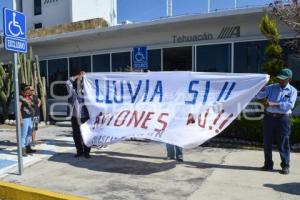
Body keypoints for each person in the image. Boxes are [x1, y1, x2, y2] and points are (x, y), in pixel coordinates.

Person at [256, 68, 298, 175]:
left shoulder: (293, 91)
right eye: (279, 78)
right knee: (267, 141)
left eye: (283, 79)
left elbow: (289, 105)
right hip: (269, 118)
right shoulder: (272, 87)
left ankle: (285, 166)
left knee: (283, 142)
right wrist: (261, 88)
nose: (280, 81)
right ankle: (268, 164)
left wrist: (274, 104)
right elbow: (259, 96)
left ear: (290, 79)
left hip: (283, 119)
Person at [66, 71, 91, 158]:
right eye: (78, 82)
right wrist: (78, 76)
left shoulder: (88, 93)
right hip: (75, 117)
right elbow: (68, 82)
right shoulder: (72, 92)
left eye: (81, 82)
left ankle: (87, 152)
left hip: (86, 117)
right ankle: (79, 151)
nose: (79, 83)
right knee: (76, 135)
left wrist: (86, 77)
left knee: (87, 134)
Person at [20, 84, 36, 156]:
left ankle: (28, 147)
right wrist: (20, 119)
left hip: (29, 117)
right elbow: (18, 109)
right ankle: (22, 150)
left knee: (29, 132)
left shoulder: (28, 97)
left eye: (28, 90)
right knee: (24, 134)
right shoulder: (20, 98)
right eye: (26, 90)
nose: (28, 91)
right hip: (24, 117)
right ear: (22, 91)